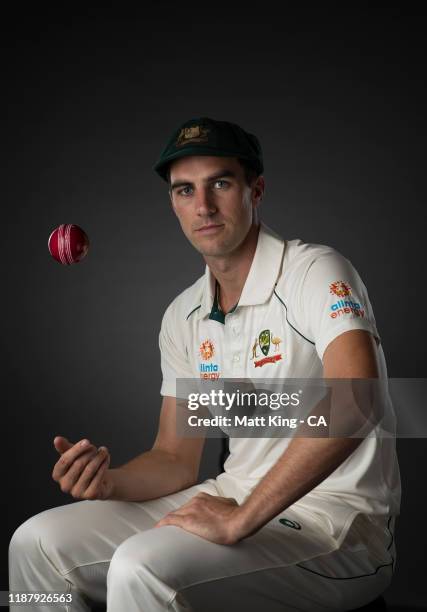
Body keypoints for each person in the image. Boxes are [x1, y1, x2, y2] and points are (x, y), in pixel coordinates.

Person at [9, 117, 401, 612]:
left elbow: (358, 402)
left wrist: (242, 518)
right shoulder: (184, 315)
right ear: (172, 203)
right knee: (34, 542)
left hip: (338, 525)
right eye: (184, 190)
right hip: (232, 494)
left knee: (142, 567)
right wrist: (110, 484)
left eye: (220, 183)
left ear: (255, 189)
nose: (203, 206)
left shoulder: (315, 272)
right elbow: (174, 460)